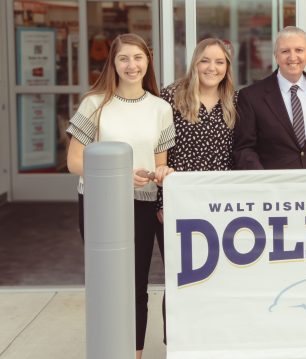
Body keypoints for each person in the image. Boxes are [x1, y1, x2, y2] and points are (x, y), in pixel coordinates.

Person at [66, 33, 175, 359]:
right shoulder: (94, 103)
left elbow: (160, 164)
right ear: (112, 63)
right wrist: (117, 174)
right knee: (109, 284)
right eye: (124, 58)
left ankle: (134, 353)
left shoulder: (161, 108)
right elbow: (74, 161)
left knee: (136, 285)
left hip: (141, 203)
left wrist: (160, 174)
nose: (132, 65)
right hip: (100, 204)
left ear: (148, 61)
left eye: (138, 58)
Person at [156, 37, 236, 221]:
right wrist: (162, 201)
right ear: (195, 64)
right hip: (179, 197)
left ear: (227, 67)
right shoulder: (171, 97)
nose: (212, 68)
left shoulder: (235, 101)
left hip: (222, 202)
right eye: (204, 61)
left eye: (219, 62)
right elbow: (159, 152)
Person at [234, 26, 306, 169]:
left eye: (299, 50)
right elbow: (244, 149)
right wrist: (265, 183)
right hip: (273, 187)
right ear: (276, 55)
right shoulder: (251, 97)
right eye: (285, 51)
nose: (293, 57)